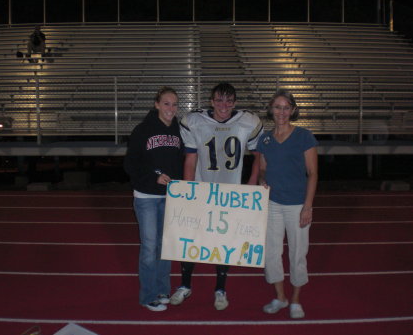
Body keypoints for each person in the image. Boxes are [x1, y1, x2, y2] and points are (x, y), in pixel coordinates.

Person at [170, 82, 264, 310]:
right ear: (211, 101)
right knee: (191, 238)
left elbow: (258, 154)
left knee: (224, 242)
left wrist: (252, 182)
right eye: (220, 100)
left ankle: (220, 289)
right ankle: (185, 285)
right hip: (203, 189)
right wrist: (188, 189)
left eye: (229, 101)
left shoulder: (248, 121)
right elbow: (190, 158)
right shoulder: (195, 121)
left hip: (230, 192)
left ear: (235, 102)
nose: (224, 105)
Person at [257, 89, 318, 319]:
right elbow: (263, 167)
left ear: (292, 110)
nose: (281, 112)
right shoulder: (264, 138)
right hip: (272, 204)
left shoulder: (304, 136)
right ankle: (280, 297)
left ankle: (295, 300)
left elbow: (312, 173)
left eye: (286, 107)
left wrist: (308, 205)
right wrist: (262, 178)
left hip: (296, 205)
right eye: (277, 107)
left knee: (297, 254)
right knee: (271, 253)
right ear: (271, 110)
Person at [124, 87, 184, 312]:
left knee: (165, 246)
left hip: (171, 196)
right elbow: (130, 165)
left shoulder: (180, 131)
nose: (171, 108)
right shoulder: (142, 130)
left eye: (174, 104)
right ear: (157, 104)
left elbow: (183, 161)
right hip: (147, 196)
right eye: (166, 103)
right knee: (149, 247)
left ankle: (161, 289)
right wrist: (154, 177)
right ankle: (148, 296)